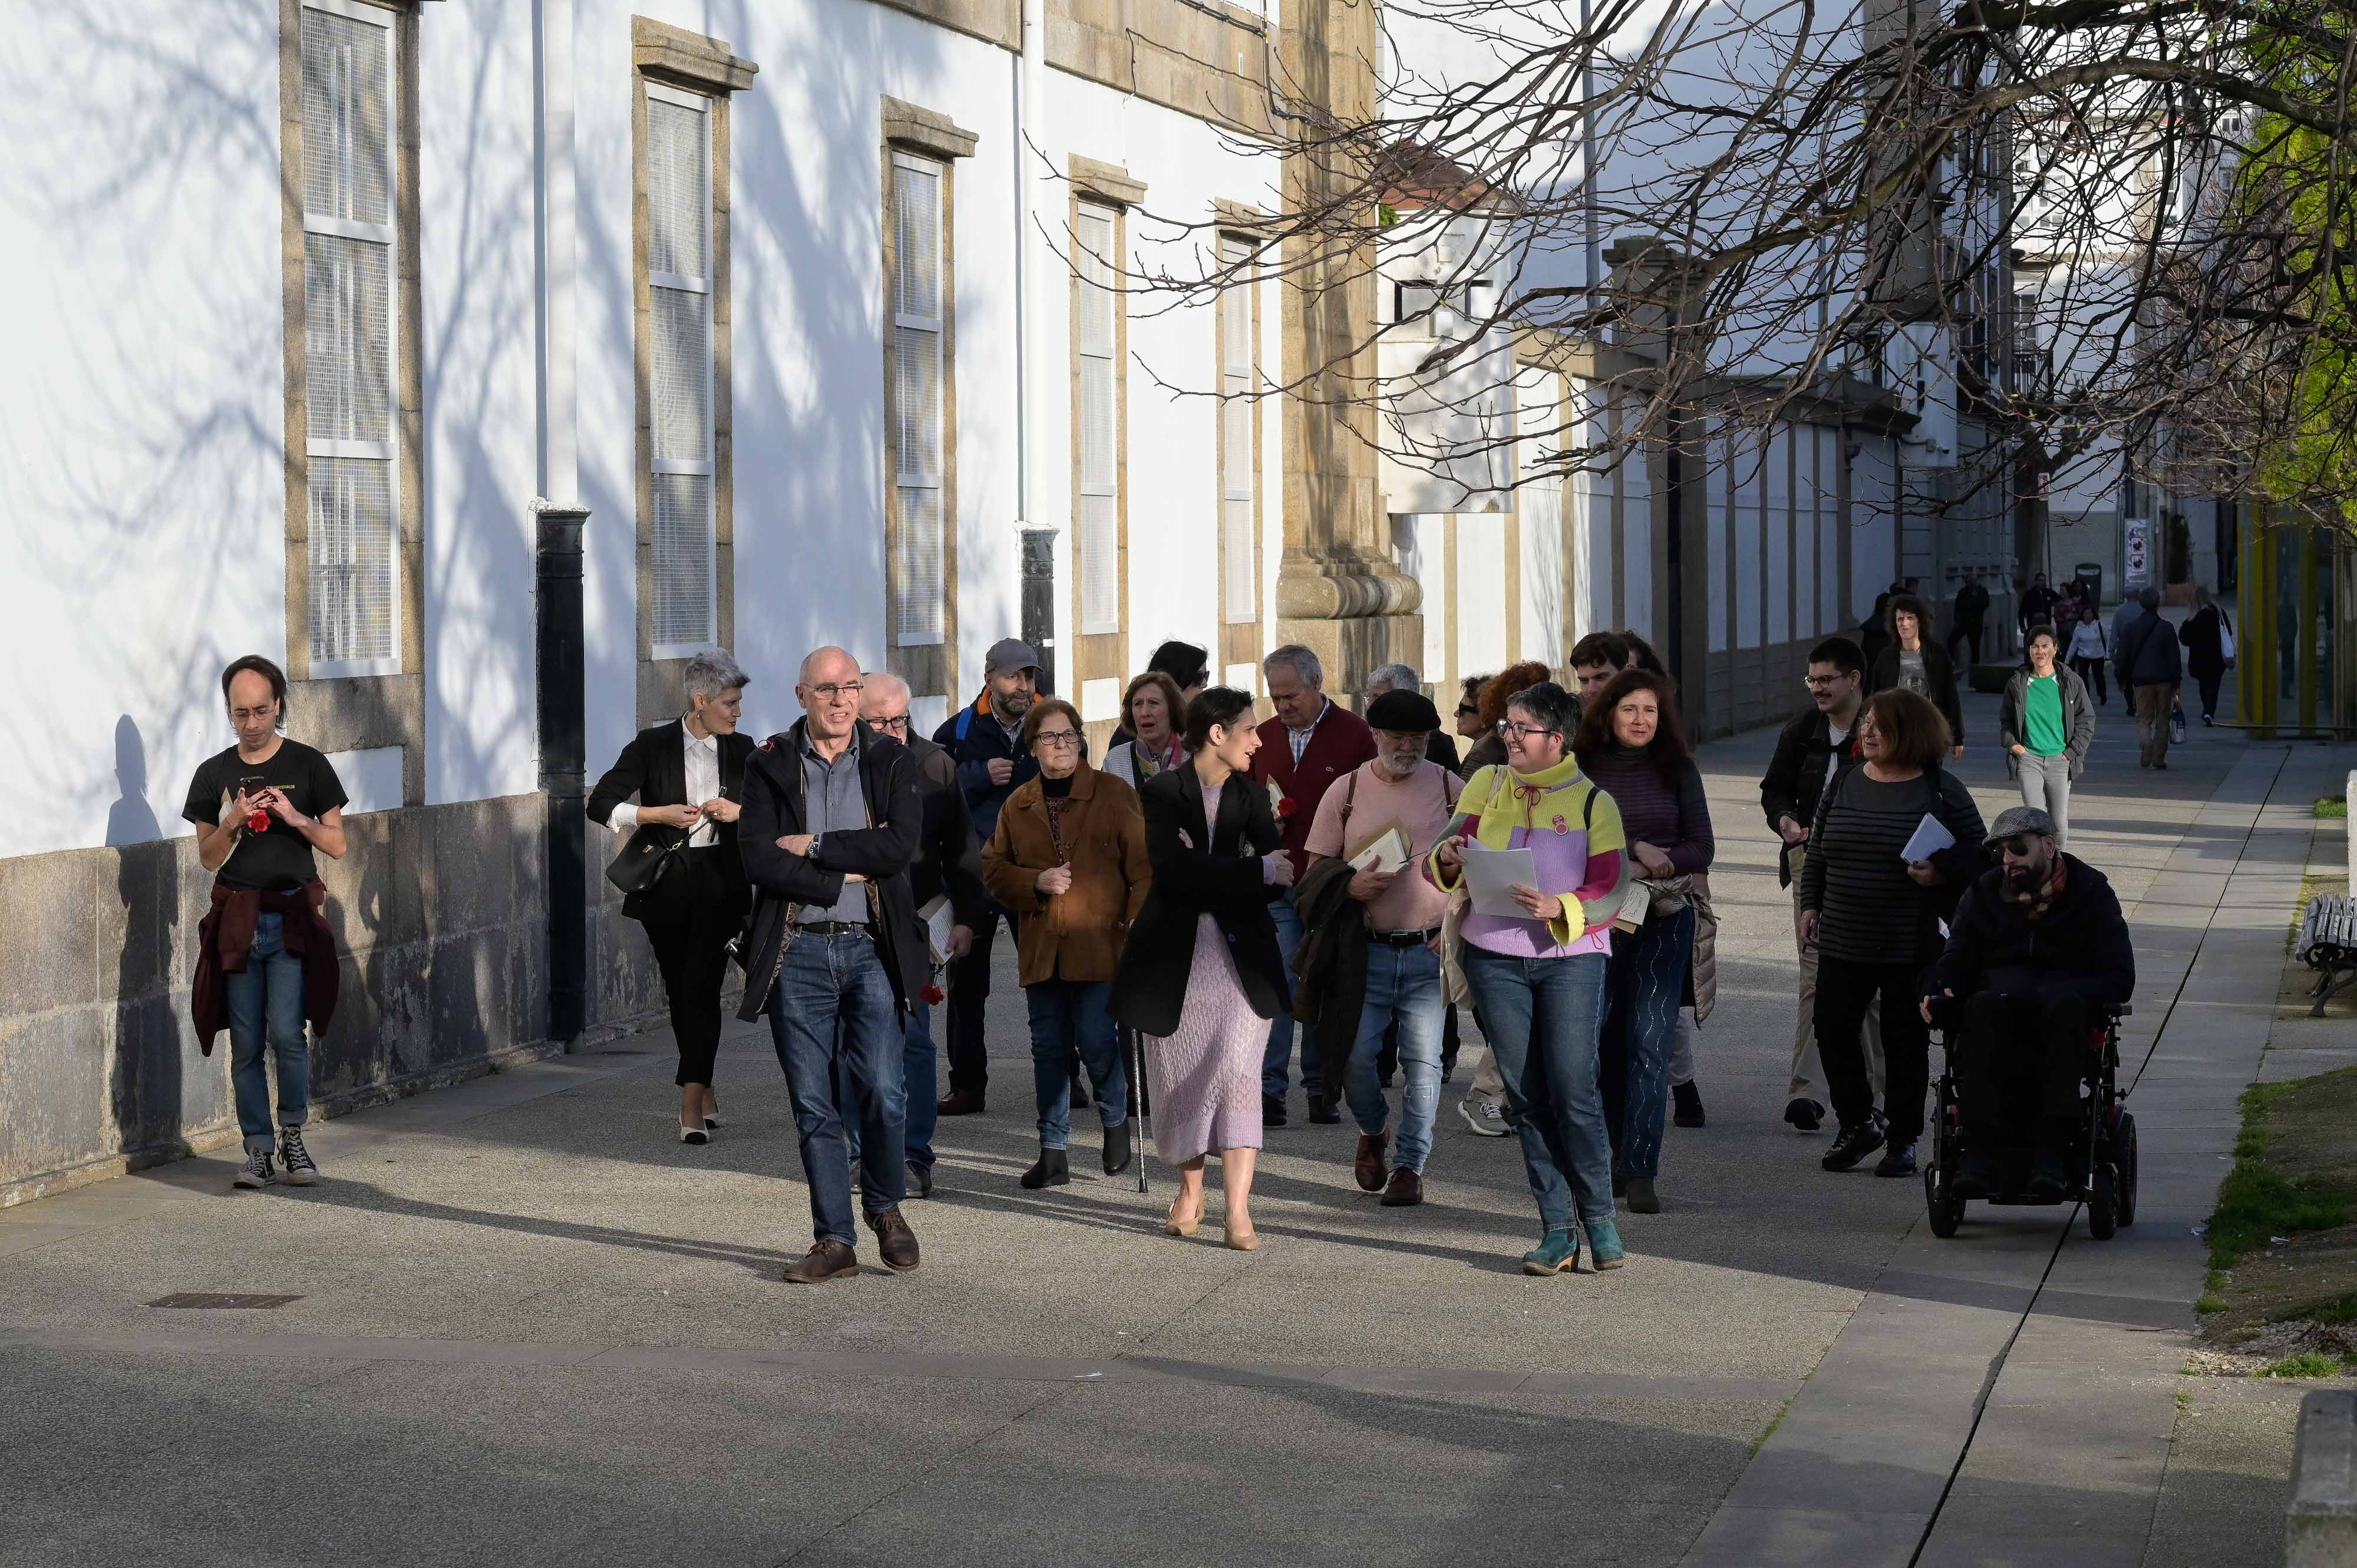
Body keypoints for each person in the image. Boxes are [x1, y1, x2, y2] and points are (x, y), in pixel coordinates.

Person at [738, 647, 928, 1285]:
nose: (842, 700)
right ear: (801, 696)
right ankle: (833, 1240)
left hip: (870, 945)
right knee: (814, 1103)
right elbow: (760, 860)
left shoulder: (889, 759)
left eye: (850, 688)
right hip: (798, 951)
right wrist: (841, 873)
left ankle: (883, 1206)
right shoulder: (767, 765)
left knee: (882, 1087)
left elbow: (899, 847)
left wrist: (818, 848)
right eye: (828, 690)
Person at [1428, 681, 1632, 1276]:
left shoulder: (1595, 802)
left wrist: (1562, 908)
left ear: (1557, 739)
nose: (1508, 737)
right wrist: (1444, 859)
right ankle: (1556, 1231)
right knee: (1524, 1093)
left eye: (1521, 729)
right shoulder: (1487, 785)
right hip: (1494, 956)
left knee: (1573, 1086)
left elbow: (1612, 885)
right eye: (1507, 728)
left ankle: (1600, 1220)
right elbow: (1449, 845)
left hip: (1572, 958)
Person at [1113, 687, 1293, 1250]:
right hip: (1177, 962)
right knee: (1184, 1075)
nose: (1259, 738)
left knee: (1239, 1076)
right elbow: (1173, 874)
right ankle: (1191, 1191)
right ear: (1218, 733)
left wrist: (1238, 868)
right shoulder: (1164, 791)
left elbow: (1280, 872)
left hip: (1242, 964)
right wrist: (1249, 868)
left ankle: (1238, 1211)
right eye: (1249, 728)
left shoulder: (1253, 794)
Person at [1799, 689, 1986, 1179]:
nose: (1868, 731)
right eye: (1865, 722)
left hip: (1910, 940)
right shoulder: (1844, 781)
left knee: (1905, 1042)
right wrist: (1810, 903)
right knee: (1832, 1029)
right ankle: (1859, 1121)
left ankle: (1902, 1138)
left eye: (1880, 724)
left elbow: (1984, 858)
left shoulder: (1941, 789)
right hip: (1843, 936)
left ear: (1911, 731)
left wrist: (1941, 871)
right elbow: (1818, 849)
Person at [184, 655, 348, 1191]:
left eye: (261, 710)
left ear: (279, 704)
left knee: (288, 1033)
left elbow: (337, 844)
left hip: (289, 919)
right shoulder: (213, 774)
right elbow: (209, 857)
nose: (252, 723)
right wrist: (233, 819)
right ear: (228, 713)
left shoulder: (309, 765)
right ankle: (257, 1150)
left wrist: (295, 817)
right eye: (240, 713)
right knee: (248, 1042)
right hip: (237, 921)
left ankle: (293, 1135)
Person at [1296, 688, 1464, 1207]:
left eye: (1419, 737)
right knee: (1354, 1058)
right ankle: (1374, 1128)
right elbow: (1312, 872)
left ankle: (1411, 1166)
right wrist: (1348, 886)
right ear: (1375, 736)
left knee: (1424, 1062)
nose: (1409, 746)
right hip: (1361, 952)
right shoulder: (1345, 791)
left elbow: (1483, 868)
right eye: (1398, 736)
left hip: (1427, 951)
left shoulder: (1452, 787)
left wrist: (1454, 925)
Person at [1923, 806, 2135, 1199]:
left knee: (2065, 1008)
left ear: (2049, 845)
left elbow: (2120, 977)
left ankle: (2052, 1152)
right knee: (1982, 1006)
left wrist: (2064, 991)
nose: (2008, 860)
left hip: (2062, 1019)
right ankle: (1978, 1151)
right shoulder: (1984, 893)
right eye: (2001, 852)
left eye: (2017, 849)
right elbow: (1957, 956)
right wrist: (1942, 987)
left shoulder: (2090, 891)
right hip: (1997, 1014)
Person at [587, 652, 757, 1144]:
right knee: (681, 987)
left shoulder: (745, 750)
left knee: (703, 986)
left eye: (740, 702)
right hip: (666, 884)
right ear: (700, 701)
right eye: (730, 702)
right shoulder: (653, 745)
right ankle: (703, 1084)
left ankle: (689, 1100)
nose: (738, 712)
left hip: (722, 883)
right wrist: (656, 814)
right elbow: (600, 803)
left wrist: (737, 810)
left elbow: (776, 812)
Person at [981, 698, 1149, 1189]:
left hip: (1101, 944)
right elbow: (993, 869)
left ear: (1082, 740)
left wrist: (1136, 922)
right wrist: (1036, 881)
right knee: (1049, 1049)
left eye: (1069, 736)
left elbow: (1143, 869)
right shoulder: (1020, 804)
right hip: (1043, 948)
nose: (1061, 745)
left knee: (1097, 1042)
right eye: (1050, 738)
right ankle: (1052, 1151)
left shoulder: (1114, 794)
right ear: (1033, 747)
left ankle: (1115, 1119)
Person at [1575, 669, 1714, 1214]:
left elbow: (1701, 847)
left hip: (1663, 916)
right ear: (1608, 711)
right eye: (1630, 708)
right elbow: (1570, 837)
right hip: (1595, 918)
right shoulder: (1581, 768)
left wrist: (1663, 859)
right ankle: (1607, 1159)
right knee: (1602, 1042)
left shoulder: (1677, 767)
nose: (1641, 720)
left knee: (1649, 1040)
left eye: (1650, 710)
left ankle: (1640, 1168)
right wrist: (1632, 853)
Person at [859, 673, 989, 1197]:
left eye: (900, 718)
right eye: (881, 720)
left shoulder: (934, 763)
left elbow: (962, 849)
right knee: (856, 1045)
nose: (893, 729)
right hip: (856, 921)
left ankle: (915, 1157)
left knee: (913, 1042)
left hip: (917, 923)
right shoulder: (842, 763)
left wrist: (966, 920)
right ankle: (860, 1153)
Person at [1759, 638, 1883, 1133]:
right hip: (1810, 860)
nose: (1817, 688)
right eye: (1812, 680)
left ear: (1854, 679)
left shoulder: (1882, 728)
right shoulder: (1801, 731)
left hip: (1870, 867)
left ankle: (1876, 1096)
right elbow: (1774, 789)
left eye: (1827, 679)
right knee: (1815, 975)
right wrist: (1786, 821)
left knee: (1870, 985)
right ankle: (1806, 1092)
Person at [1250, 645, 1377, 1125]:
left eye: (1291, 695)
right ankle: (1271, 1089)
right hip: (1281, 881)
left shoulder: (1355, 735)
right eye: (1276, 697)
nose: (1283, 706)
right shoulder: (1260, 738)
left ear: (1317, 683)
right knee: (1282, 980)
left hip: (1331, 884)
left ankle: (1322, 1087)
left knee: (1323, 981)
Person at [932, 638, 1044, 1115]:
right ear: (989, 677)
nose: (1024, 687)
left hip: (1032, 873)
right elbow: (931, 789)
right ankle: (967, 1086)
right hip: (975, 874)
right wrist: (978, 775)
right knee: (968, 987)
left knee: (1048, 978)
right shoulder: (957, 729)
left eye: (1030, 677)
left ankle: (1065, 1078)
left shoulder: (1050, 723)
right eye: (1014, 677)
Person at [1454, 659, 1555, 1135]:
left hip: (1549, 907)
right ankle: (1488, 1094)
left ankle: (1510, 1095)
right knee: (1514, 1014)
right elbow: (1450, 842)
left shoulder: (1568, 769)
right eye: (1512, 721)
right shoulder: (1488, 765)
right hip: (1500, 906)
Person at [1999, 626, 2095, 851]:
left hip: (2060, 760)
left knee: (2059, 821)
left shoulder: (2070, 682)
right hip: (2028, 758)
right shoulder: (2018, 683)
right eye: (2035, 646)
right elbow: (2006, 719)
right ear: (2029, 651)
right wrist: (2012, 743)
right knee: (2035, 817)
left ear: (2055, 650)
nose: (2040, 651)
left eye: (2045, 646)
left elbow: (2087, 720)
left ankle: (2058, 860)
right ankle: (2040, 861)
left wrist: (2070, 753)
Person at [1867, 594, 1966, 760]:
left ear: (1920, 621)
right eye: (1900, 619)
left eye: (1910, 618)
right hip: (1896, 732)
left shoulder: (1937, 655)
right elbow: (1875, 697)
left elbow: (1950, 696)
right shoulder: (1886, 658)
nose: (1905, 624)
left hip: (1928, 731)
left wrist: (1957, 737)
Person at [2116, 587, 2183, 770]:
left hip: (2141, 680)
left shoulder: (2131, 628)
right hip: (2165, 680)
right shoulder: (2167, 628)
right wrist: (2177, 682)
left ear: (2141, 603)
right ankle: (2159, 759)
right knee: (2163, 719)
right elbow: (2174, 658)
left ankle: (2146, 744)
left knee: (2144, 718)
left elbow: (2122, 656)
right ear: (2158, 603)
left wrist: (2121, 679)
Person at [1107, 640, 1210, 752]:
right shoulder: (1125, 740)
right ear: (1178, 678)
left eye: (1206, 675)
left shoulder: (1200, 730)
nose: (1205, 684)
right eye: (1199, 677)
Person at [1101, 671, 1189, 791]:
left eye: (1154, 703)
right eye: (1138, 704)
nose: (1145, 713)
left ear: (1172, 709)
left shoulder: (1194, 755)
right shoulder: (1116, 760)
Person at [1368, 662, 1460, 770]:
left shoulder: (1438, 745)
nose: (1370, 705)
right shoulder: (1362, 735)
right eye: (1369, 697)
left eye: (1377, 698)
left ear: (1405, 696)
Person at [2179, 587, 2232, 725]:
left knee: (2204, 685)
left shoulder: (2194, 617)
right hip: (2217, 658)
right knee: (2214, 685)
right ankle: (2209, 711)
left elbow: (2184, 638)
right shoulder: (2220, 613)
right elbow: (2229, 632)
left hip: (2200, 659)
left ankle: (2207, 710)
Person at [2066, 600, 2111, 707]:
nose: (2087, 616)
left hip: (2098, 655)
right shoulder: (2079, 628)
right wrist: (2068, 659)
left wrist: (2108, 653)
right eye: (2085, 613)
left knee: (2099, 677)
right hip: (2083, 656)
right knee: (2083, 677)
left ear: (2093, 615)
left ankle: (2102, 694)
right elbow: (2074, 645)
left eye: (2090, 613)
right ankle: (2085, 698)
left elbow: (2108, 639)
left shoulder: (2100, 626)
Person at [1950, 579, 1990, 666]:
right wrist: (1957, 622)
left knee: (1975, 647)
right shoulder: (1963, 592)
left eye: (1972, 582)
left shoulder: (1982, 591)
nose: (1971, 584)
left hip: (1976, 624)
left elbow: (1986, 605)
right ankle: (1951, 661)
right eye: (1969, 582)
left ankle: (1975, 666)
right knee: (1951, 640)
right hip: (1963, 623)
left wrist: (1976, 598)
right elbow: (1957, 608)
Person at [2019, 571, 2061, 635]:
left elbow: (2060, 600)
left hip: (2047, 625)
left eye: (2044, 581)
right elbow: (2022, 611)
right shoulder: (2029, 594)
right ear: (2036, 581)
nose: (2043, 583)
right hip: (2033, 625)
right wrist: (2022, 626)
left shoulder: (2049, 592)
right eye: (2041, 580)